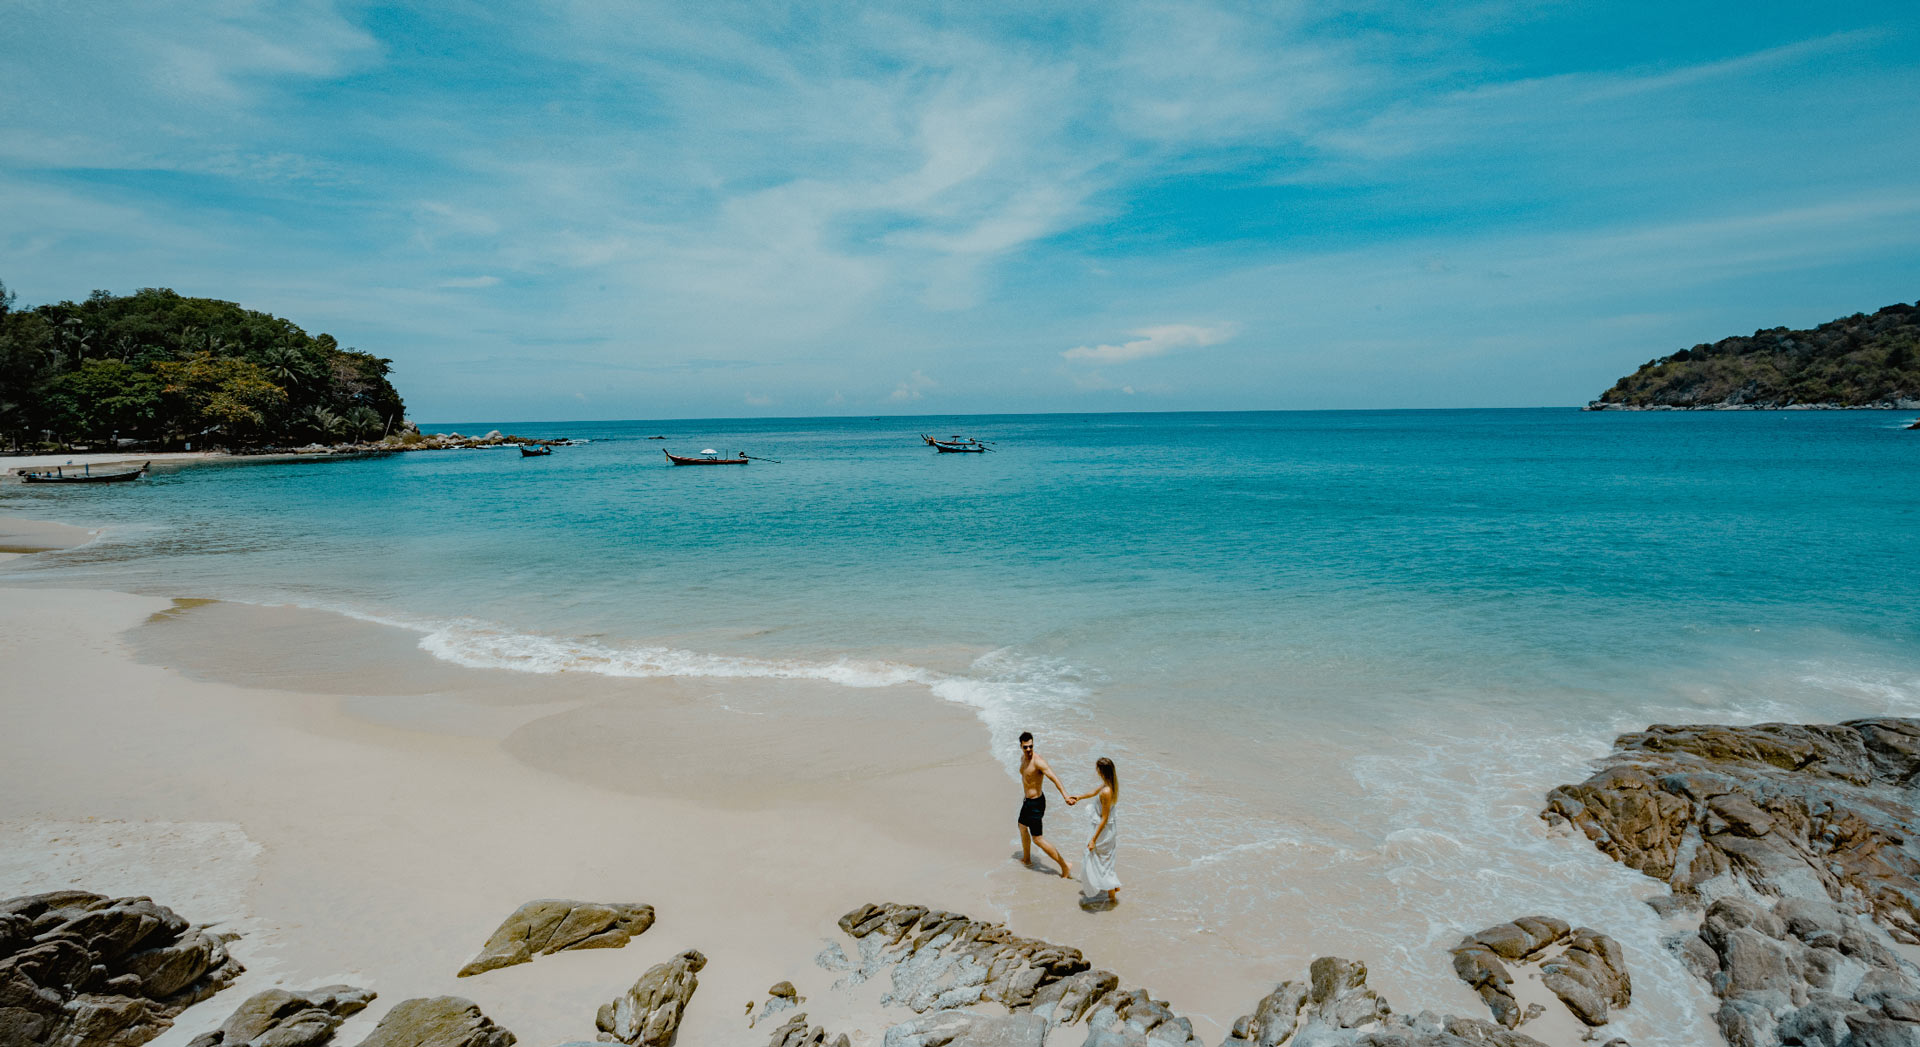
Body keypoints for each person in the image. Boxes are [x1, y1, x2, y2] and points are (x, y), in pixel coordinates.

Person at [1016, 731, 1074, 878]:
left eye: (1031, 746)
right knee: (1022, 826)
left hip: (1036, 804)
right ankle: (1027, 859)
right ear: (1021, 746)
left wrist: (1065, 796)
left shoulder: (1038, 762)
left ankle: (1065, 865)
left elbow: (1053, 777)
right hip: (1027, 802)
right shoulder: (1023, 758)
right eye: (1025, 747)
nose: (1029, 750)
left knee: (1038, 839)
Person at [1070, 757, 1121, 903]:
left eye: (1097, 768)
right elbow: (1093, 792)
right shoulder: (1108, 784)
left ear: (1101, 771)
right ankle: (1112, 890)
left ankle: (1112, 896)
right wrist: (1079, 797)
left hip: (1104, 832)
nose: (1096, 771)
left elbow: (1104, 818)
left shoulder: (1106, 791)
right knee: (1104, 863)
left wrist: (1093, 839)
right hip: (1107, 830)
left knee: (1099, 862)